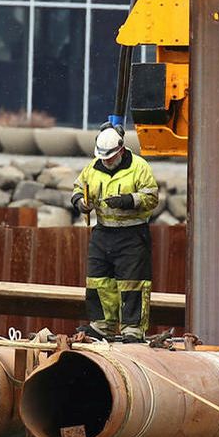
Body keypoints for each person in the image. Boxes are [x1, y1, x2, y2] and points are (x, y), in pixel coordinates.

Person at [70, 123, 161, 341]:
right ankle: (102, 325)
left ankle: (132, 329)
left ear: (120, 150)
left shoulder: (139, 167)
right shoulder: (92, 168)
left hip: (132, 234)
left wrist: (128, 201)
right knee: (98, 280)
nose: (107, 161)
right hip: (103, 232)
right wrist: (80, 203)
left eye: (110, 157)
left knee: (132, 283)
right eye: (103, 157)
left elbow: (151, 197)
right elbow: (77, 188)